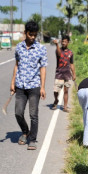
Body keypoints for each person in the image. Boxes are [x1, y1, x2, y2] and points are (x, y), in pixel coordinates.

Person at [10, 21, 48, 150]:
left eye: (34, 35)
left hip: (34, 86)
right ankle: (25, 131)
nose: (32, 37)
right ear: (25, 33)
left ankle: (32, 139)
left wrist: (42, 87)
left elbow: (43, 68)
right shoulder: (19, 47)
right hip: (20, 85)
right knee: (18, 113)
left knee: (33, 114)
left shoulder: (41, 48)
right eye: (30, 34)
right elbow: (16, 65)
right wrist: (12, 83)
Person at [51, 35, 76, 112]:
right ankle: (56, 100)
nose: (63, 43)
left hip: (67, 75)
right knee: (56, 91)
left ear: (68, 42)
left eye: (65, 41)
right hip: (59, 74)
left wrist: (74, 74)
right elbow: (59, 54)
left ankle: (65, 107)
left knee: (66, 91)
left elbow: (71, 64)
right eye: (62, 41)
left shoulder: (70, 52)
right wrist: (56, 44)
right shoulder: (58, 50)